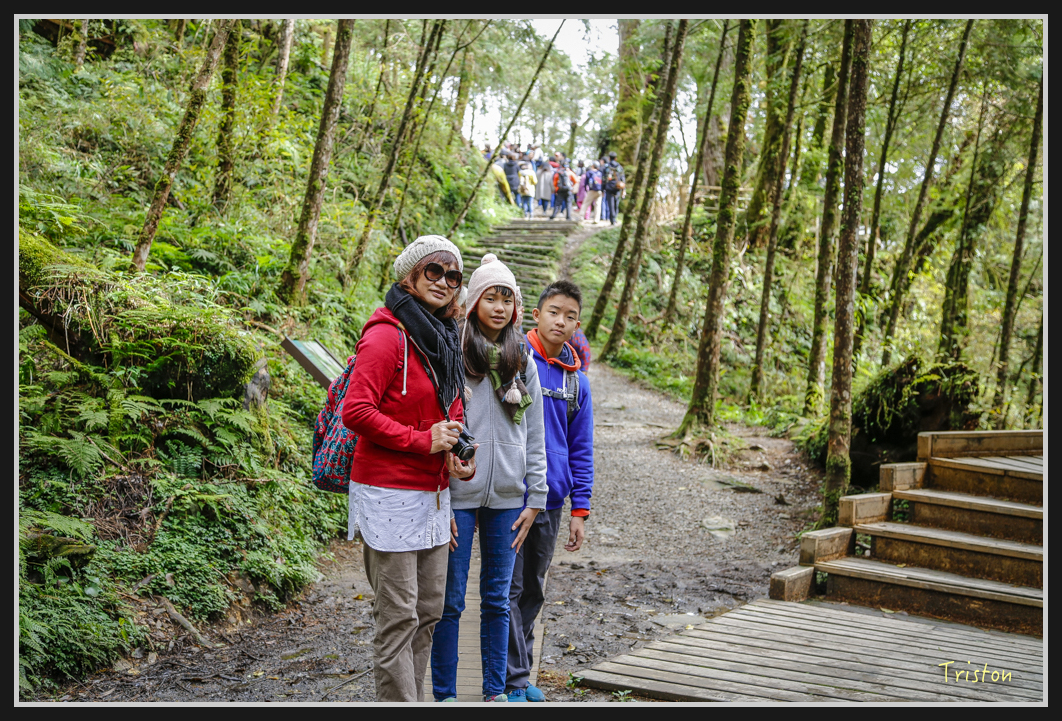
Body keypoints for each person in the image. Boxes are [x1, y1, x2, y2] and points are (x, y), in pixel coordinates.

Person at [342, 236, 476, 703]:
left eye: (453, 276)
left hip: (433, 496)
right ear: (410, 276)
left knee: (429, 611)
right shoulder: (385, 334)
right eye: (433, 272)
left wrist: (453, 456)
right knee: (399, 617)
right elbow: (356, 411)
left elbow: (450, 412)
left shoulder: (442, 337)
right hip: (388, 494)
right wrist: (423, 441)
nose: (443, 282)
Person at [431, 255, 548, 703]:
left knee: (498, 601)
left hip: (507, 498)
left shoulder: (522, 359)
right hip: (458, 493)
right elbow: (439, 422)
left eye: (508, 298)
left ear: (516, 307)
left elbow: (533, 433)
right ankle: (444, 696)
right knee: (451, 602)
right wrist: (439, 495)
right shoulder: (454, 354)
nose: (499, 307)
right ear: (474, 299)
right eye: (490, 297)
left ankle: (495, 694)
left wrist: (535, 495)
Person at [506, 280, 594, 702]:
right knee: (506, 587)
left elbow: (581, 446)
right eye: (554, 311)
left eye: (570, 315)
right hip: (510, 494)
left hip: (552, 501)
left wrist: (581, 508)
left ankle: (516, 676)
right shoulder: (513, 359)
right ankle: (511, 676)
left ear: (578, 324)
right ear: (536, 314)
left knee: (534, 587)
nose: (561, 321)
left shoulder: (577, 382)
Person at [603, 151, 625, 226]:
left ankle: (612, 220)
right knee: (616, 204)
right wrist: (623, 189)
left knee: (610, 205)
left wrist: (602, 189)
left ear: (609, 158)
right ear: (615, 158)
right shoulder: (619, 167)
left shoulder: (606, 167)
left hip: (609, 188)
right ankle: (614, 218)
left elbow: (603, 179)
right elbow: (623, 178)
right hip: (617, 187)